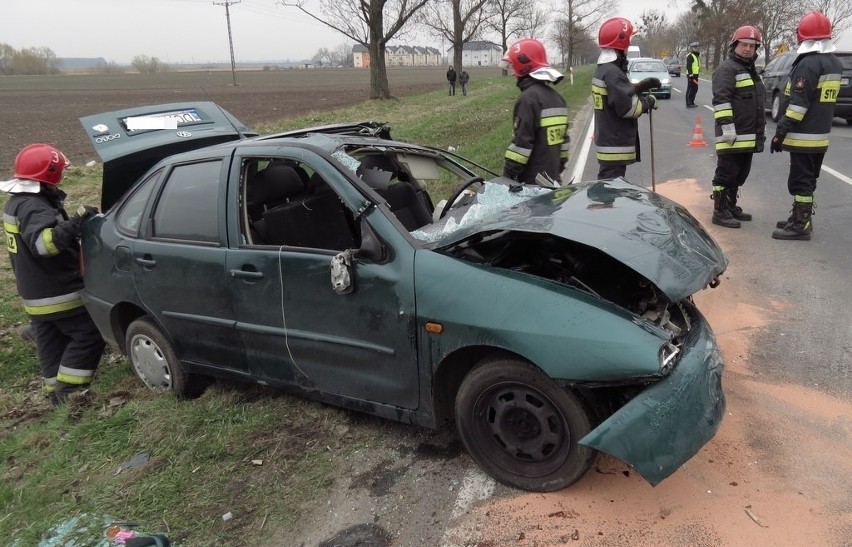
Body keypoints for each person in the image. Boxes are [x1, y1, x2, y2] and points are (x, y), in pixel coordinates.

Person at [2, 143, 104, 405]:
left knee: (51, 342)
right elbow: (43, 245)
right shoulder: (34, 207)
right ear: (50, 175)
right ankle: (70, 392)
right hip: (57, 292)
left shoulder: (16, 202)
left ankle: (55, 397)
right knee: (89, 334)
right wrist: (75, 224)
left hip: (35, 294)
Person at [770, 11, 843, 241]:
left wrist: (780, 132)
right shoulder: (835, 63)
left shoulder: (808, 64)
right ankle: (801, 218)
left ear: (803, 37)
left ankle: (800, 224)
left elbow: (798, 106)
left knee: (800, 181)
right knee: (808, 179)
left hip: (803, 136)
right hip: (821, 135)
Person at [709, 26, 767, 229]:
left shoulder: (751, 71)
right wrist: (727, 127)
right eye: (744, 45)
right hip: (731, 134)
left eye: (752, 46)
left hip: (747, 136)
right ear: (735, 45)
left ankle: (731, 206)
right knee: (725, 173)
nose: (748, 49)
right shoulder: (727, 69)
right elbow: (721, 100)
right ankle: (719, 211)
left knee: (740, 174)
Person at [591, 17, 658, 180]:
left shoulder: (603, 69)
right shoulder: (614, 73)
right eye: (628, 41)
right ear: (620, 43)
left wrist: (637, 88)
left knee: (609, 191)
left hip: (608, 140)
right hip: (615, 145)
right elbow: (629, 109)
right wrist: (648, 102)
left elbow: (615, 96)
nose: (628, 46)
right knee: (610, 194)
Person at [499, 38, 570, 185]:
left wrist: (507, 178)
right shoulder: (558, 99)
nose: (513, 73)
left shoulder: (528, 99)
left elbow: (521, 146)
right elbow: (564, 144)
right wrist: (555, 170)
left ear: (524, 66)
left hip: (532, 186)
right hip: (553, 181)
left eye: (514, 67)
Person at [685, 41, 701, 107]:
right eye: (695, 47)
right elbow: (689, 66)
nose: (697, 48)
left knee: (695, 88)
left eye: (697, 47)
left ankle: (692, 102)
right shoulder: (690, 56)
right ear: (692, 48)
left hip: (696, 75)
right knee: (691, 89)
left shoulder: (696, 56)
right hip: (691, 75)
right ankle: (688, 103)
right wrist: (691, 75)